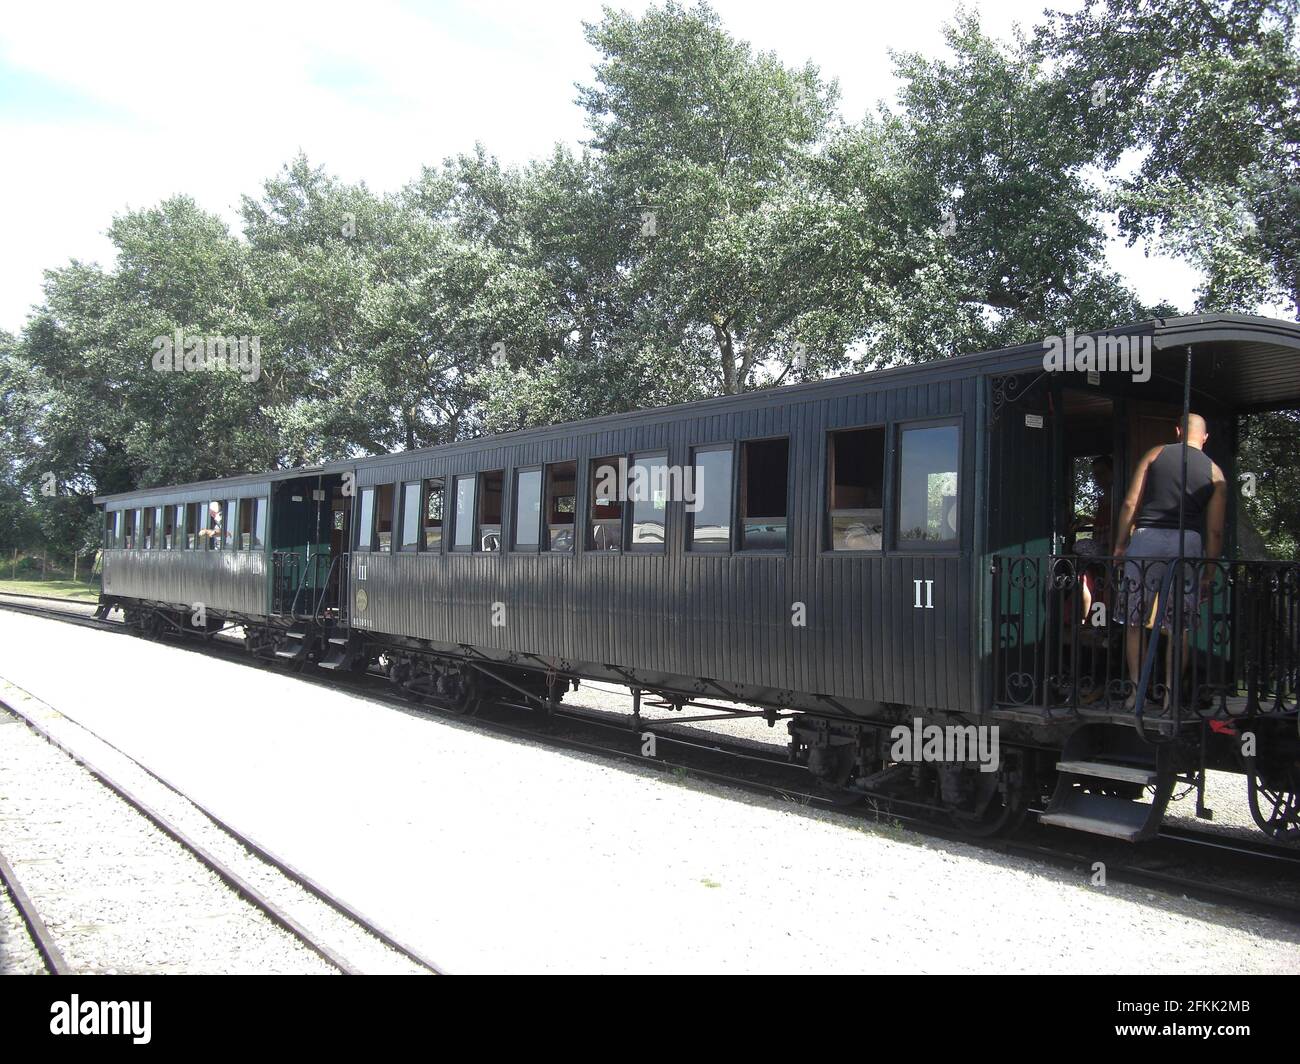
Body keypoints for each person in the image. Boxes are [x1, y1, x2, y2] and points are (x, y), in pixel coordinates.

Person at [1113, 414, 1227, 709]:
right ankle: (1170, 696)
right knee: (1180, 625)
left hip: (1147, 540)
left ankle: (1135, 692)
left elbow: (1130, 503)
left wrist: (1120, 545)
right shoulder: (1216, 474)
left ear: (1178, 431)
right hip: (1187, 543)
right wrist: (1208, 572)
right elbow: (1215, 531)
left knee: (1135, 619)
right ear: (1205, 438)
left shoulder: (1155, 454)